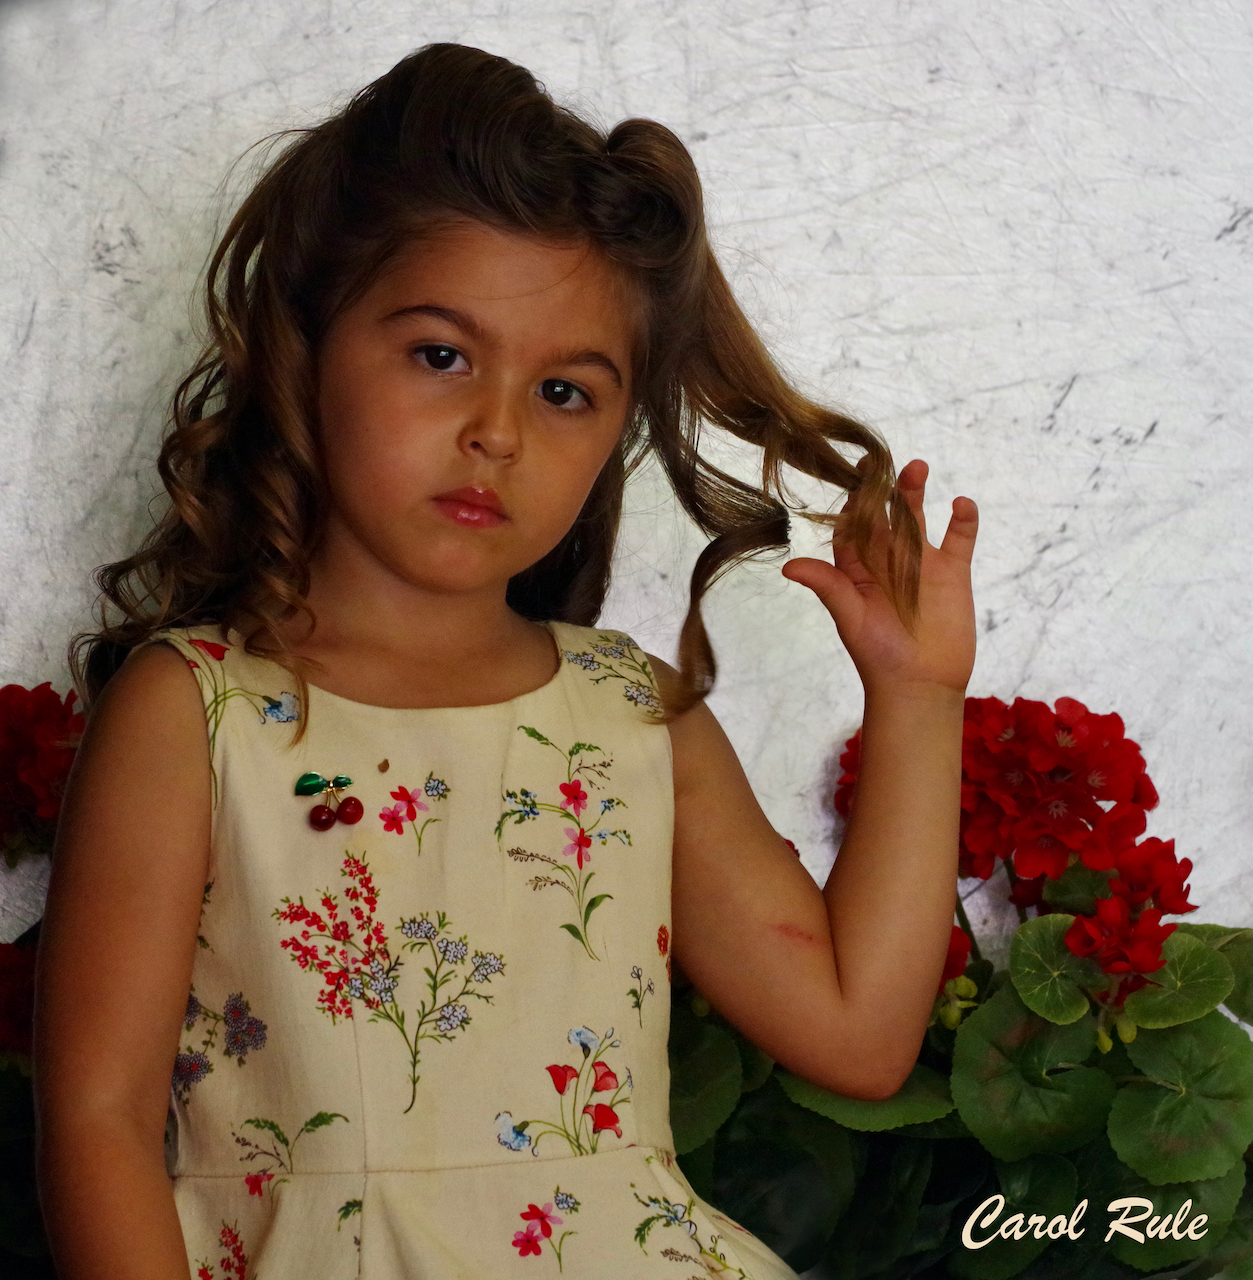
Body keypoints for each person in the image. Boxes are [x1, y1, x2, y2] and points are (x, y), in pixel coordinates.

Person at [32, 42, 978, 1280]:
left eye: (565, 392)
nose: (496, 432)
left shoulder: (631, 713)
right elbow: (96, 1118)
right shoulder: (197, 711)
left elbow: (858, 1035)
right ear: (307, 343)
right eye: (440, 355)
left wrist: (917, 697)